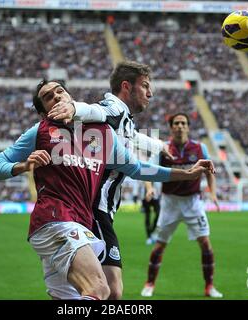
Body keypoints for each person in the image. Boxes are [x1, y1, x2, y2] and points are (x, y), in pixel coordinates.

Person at [0, 80, 215, 300]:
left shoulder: (102, 134)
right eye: (48, 97)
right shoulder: (40, 131)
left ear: (70, 96)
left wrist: (187, 173)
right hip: (54, 220)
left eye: (59, 90)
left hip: (79, 223)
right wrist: (22, 166)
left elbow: (137, 168)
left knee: (85, 295)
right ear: (44, 112)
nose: (56, 96)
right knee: (99, 288)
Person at [48, 60, 173, 299]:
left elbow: (133, 137)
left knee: (84, 289)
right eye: (145, 86)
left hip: (96, 208)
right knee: (112, 290)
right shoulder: (113, 108)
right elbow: (97, 110)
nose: (151, 92)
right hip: (96, 208)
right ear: (126, 87)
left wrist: (160, 145)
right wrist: (74, 108)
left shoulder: (124, 119)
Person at [140, 113, 222, 298]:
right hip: (170, 202)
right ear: (171, 127)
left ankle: (209, 286)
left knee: (206, 244)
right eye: (176, 123)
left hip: (193, 202)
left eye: (183, 123)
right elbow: (147, 170)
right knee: (160, 245)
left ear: (188, 127)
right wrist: (149, 188)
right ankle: (150, 283)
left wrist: (213, 193)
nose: (180, 126)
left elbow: (210, 171)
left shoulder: (200, 148)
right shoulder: (163, 148)